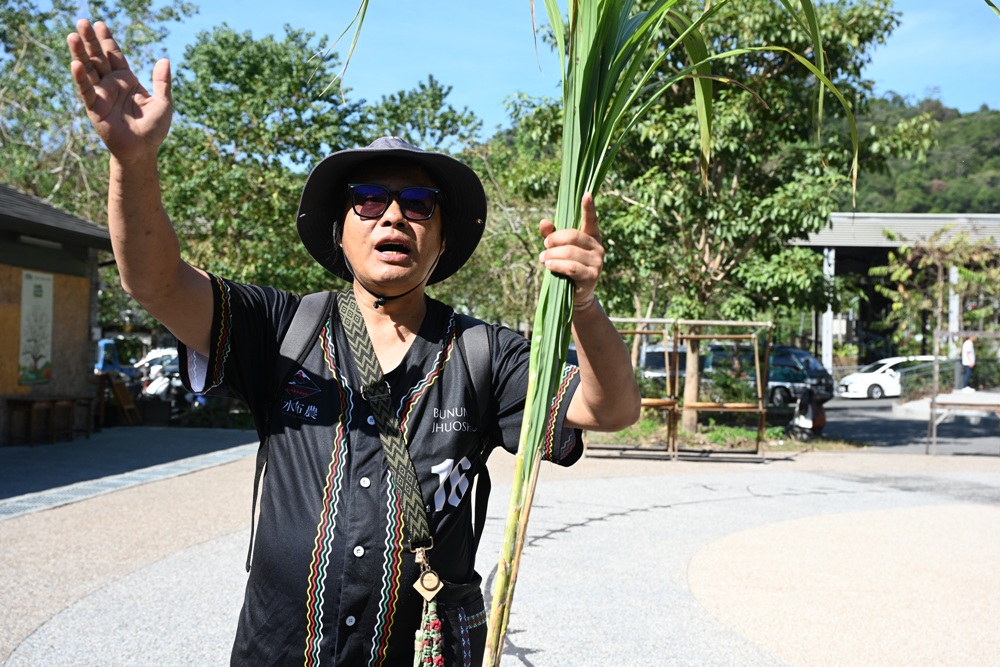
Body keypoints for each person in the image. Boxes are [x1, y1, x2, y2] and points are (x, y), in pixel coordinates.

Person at [67, 19, 640, 667]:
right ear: (339, 231)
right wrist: (134, 162)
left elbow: (611, 408)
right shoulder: (280, 329)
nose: (393, 215)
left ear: (442, 239)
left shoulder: (485, 354)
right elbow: (157, 282)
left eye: (419, 203)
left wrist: (585, 305)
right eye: (368, 200)